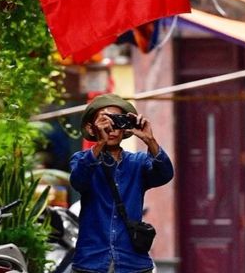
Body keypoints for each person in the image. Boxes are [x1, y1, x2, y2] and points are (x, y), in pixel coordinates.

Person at [69, 94, 174, 273]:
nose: (111, 129)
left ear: (125, 128)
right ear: (91, 128)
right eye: (104, 122)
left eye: (116, 122)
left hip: (133, 263)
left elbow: (165, 174)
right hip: (91, 262)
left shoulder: (138, 163)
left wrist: (149, 139)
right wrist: (100, 143)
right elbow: (78, 180)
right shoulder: (81, 159)